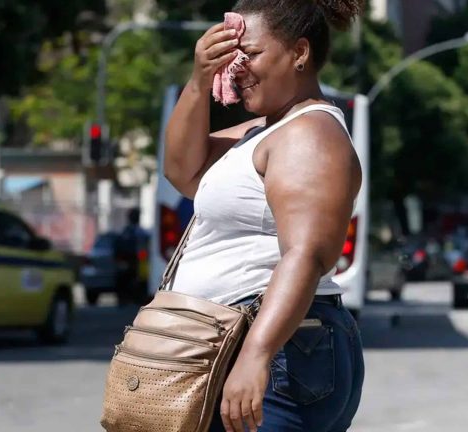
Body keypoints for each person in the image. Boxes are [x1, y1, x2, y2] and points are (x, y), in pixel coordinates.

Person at [163, 1, 365, 431]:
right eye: (230, 57)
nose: (236, 68)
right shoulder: (263, 132)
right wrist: (200, 80)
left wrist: (256, 355)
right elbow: (182, 170)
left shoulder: (310, 134)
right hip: (249, 342)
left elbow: (307, 254)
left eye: (249, 54)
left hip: (280, 350)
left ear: (300, 53)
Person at [114, 208, 149, 305]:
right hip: (132, 261)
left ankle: (133, 298)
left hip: (138, 261)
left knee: (140, 281)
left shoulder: (135, 232)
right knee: (126, 280)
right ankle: (126, 299)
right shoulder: (130, 232)